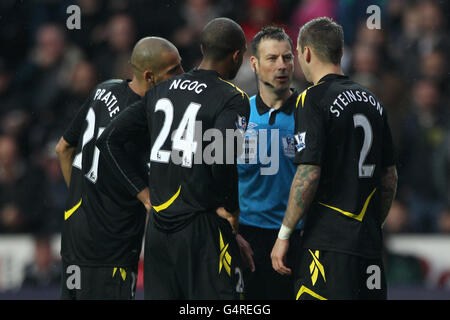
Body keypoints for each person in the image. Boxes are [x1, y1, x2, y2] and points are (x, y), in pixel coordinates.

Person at [97, 17, 252, 299]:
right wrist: (231, 208)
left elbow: (108, 140)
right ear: (237, 55)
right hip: (201, 228)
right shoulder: (232, 98)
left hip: (157, 231)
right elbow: (223, 156)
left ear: (203, 48)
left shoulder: (160, 90)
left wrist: (143, 195)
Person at [271, 17, 398, 300]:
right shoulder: (373, 101)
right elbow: (389, 177)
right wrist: (372, 225)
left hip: (328, 244)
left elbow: (309, 173)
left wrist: (284, 235)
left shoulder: (312, 99)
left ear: (305, 52)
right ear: (340, 53)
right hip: (368, 247)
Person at [55, 37, 184, 300]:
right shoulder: (143, 119)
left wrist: (83, 200)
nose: (182, 76)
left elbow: (63, 149)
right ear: (149, 76)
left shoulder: (103, 89)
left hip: (74, 240)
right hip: (111, 248)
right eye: (173, 70)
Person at [237, 25, 301, 300]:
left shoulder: (309, 114)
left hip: (294, 236)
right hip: (244, 237)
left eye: (287, 57)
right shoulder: (237, 113)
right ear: (254, 63)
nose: (282, 66)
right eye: (272, 58)